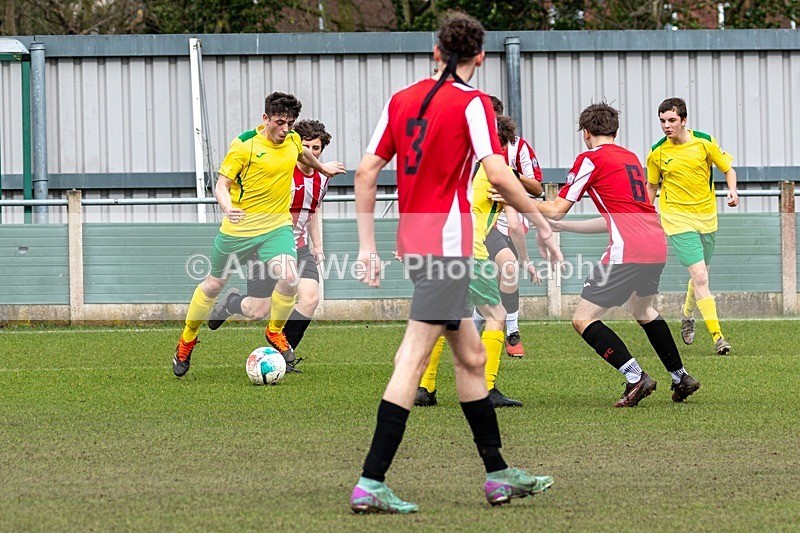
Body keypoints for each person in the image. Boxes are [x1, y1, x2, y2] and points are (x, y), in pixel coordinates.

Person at [349, 13, 561, 514]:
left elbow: (365, 172)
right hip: (447, 247)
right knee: (411, 359)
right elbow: (499, 174)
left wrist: (367, 246)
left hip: (416, 243)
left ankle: (498, 475)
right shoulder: (474, 103)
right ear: (480, 57)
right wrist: (541, 220)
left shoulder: (400, 100)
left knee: (471, 358)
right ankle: (370, 481)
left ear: (436, 52)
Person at [536, 102, 700, 407]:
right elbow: (615, 219)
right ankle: (681, 377)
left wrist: (513, 200)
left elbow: (556, 207)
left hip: (629, 250)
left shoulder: (590, 159)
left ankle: (636, 377)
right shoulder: (630, 158)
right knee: (644, 311)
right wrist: (565, 227)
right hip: (655, 243)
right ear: (615, 130)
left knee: (583, 319)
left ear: (586, 132)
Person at [173, 95, 345, 378]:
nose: (285, 129)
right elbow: (221, 185)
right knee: (214, 285)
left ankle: (275, 331)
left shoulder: (292, 140)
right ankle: (187, 339)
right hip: (239, 230)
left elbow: (303, 155)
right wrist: (227, 207)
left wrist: (322, 168)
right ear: (265, 119)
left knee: (289, 276)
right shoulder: (244, 145)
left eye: (290, 123)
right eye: (279, 122)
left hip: (276, 228)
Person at [414, 115, 531, 409]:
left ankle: (425, 387)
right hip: (471, 254)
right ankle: (486, 388)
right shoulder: (499, 171)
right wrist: (526, 258)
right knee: (497, 314)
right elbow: (515, 225)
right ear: (502, 145)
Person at [206, 120, 336, 371]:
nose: (311, 152)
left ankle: (281, 356)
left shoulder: (322, 177)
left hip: (300, 247)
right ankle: (232, 302)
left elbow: (313, 209)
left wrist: (318, 246)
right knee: (258, 310)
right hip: (269, 246)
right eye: (306, 146)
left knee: (310, 300)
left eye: (316, 148)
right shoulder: (282, 171)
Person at [646, 97, 738, 355]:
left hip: (706, 217)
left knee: (701, 274)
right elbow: (651, 186)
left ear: (684, 120)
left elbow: (728, 169)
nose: (666, 126)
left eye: (671, 120)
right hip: (676, 218)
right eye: (662, 121)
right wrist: (644, 216)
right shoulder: (657, 152)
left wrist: (732, 191)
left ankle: (687, 314)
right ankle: (718, 337)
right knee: (700, 276)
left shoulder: (705, 142)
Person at [477, 95, 543, 357]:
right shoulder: (471, 148)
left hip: (507, 220)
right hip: (482, 224)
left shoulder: (519, 147)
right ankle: (509, 331)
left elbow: (537, 188)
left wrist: (511, 175)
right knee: (502, 273)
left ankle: (501, 331)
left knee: (502, 276)